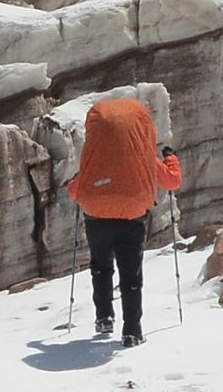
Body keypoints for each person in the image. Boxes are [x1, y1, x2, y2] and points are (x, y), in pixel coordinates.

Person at [67, 97, 182, 347]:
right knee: (131, 275)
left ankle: (104, 318)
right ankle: (132, 330)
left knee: (101, 267)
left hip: (96, 218)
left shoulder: (95, 160)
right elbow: (173, 181)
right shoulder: (141, 159)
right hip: (132, 218)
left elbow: (74, 190)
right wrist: (171, 157)